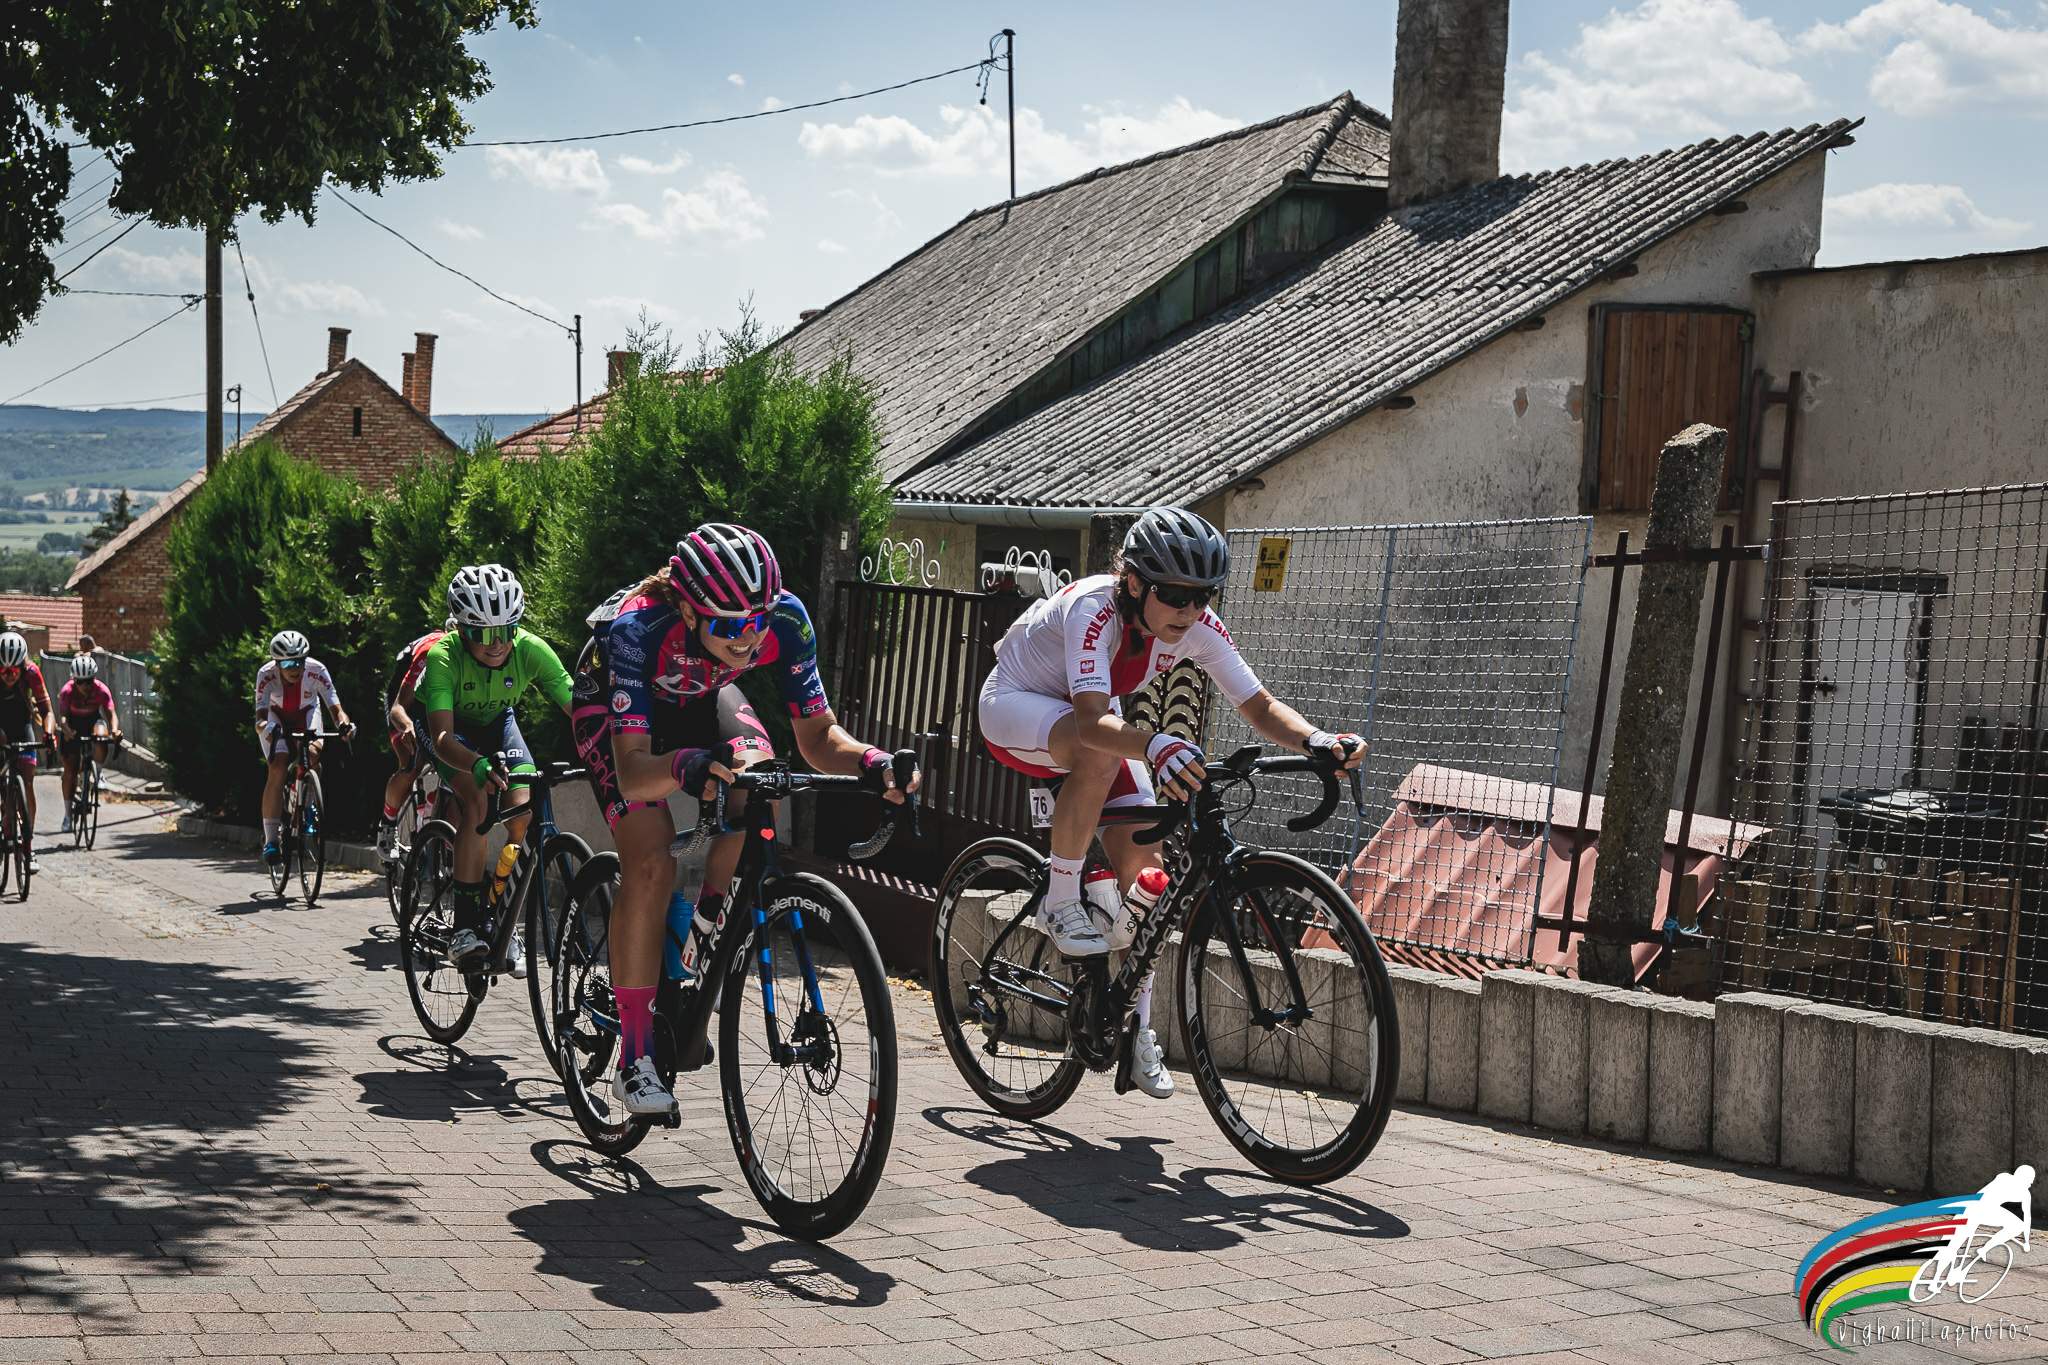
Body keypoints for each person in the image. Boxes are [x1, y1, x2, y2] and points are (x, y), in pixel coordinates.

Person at [976, 507, 1366, 1099]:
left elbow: (1258, 706)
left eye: (1203, 596)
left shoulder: (1199, 627)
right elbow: (1092, 723)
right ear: (1135, 584)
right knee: (1101, 750)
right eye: (1177, 595)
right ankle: (1059, 899)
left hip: (1089, 719)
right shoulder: (1094, 609)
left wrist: (1316, 740)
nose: (1190, 610)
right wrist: (1156, 744)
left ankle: (1134, 1028)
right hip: (1016, 702)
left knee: (1149, 880)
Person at [571, 522, 918, 1117]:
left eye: (757, 620)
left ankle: (706, 926)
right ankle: (635, 1057)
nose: (748, 638)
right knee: (651, 859)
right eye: (730, 626)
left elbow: (818, 736)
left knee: (762, 779)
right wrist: (683, 765)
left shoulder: (787, 620)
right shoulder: (639, 629)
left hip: (702, 699)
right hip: (619, 717)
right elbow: (632, 773)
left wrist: (874, 762)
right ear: (688, 609)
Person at [418, 566, 574, 976]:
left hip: (497, 723)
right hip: (449, 732)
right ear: (462, 629)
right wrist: (476, 763)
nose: (498, 643)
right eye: (484, 634)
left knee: (522, 814)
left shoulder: (530, 649)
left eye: (507, 630)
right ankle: (465, 925)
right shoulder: (443, 656)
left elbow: (578, 706)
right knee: (477, 801)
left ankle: (499, 912)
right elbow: (442, 737)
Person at [253, 630, 355, 866]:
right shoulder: (265, 675)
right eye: (288, 663)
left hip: (307, 712)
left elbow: (336, 709)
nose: (295, 668)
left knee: (312, 753)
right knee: (278, 766)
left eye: (299, 661)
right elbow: (259, 718)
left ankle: (306, 802)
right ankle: (271, 840)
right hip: (275, 717)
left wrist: (344, 725)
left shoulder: (316, 670)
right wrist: (266, 728)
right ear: (277, 663)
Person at [373, 620, 451, 866]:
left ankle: (432, 814)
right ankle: (387, 824)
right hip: (404, 697)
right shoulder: (431, 652)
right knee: (411, 763)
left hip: (434, 697)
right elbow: (401, 705)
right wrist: (407, 726)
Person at [0, 632, 55, 872]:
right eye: (3, 671)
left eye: (14, 670)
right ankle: (5, 818)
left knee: (28, 782)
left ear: (22, 666)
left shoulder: (32, 672)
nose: (9, 675)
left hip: (21, 725)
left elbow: (47, 710)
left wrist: (49, 733)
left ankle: (29, 848)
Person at [55, 653, 121, 832]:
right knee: (70, 771)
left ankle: (97, 774)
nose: (85, 686)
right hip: (73, 723)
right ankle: (68, 815)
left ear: (94, 678)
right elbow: (63, 718)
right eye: (80, 682)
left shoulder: (101, 689)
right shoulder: (67, 691)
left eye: (89, 681)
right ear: (74, 680)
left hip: (92, 720)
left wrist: (115, 730)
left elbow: (111, 714)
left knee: (101, 736)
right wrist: (67, 730)